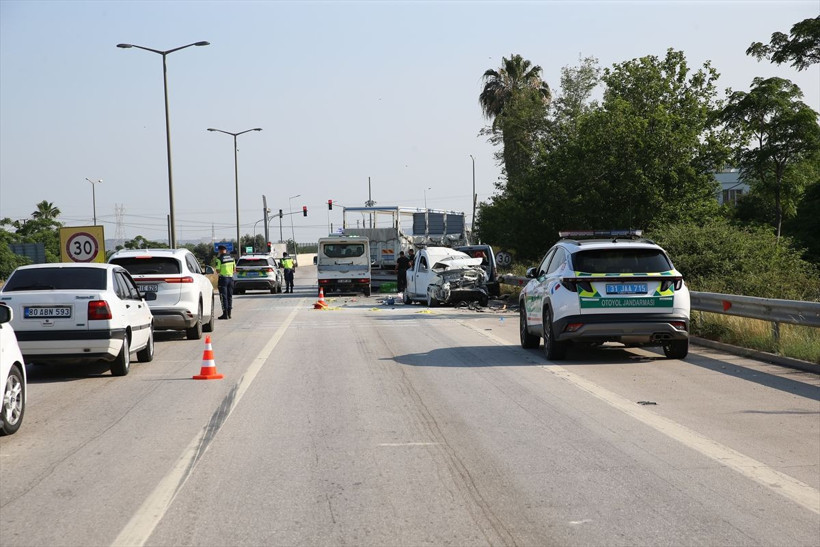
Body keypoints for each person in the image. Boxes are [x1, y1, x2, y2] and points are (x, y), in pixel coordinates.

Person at [213, 245, 235, 319]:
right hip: (231, 278)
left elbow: (218, 270)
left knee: (223, 297)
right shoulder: (232, 258)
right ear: (225, 250)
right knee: (229, 296)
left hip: (223, 279)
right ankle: (229, 314)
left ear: (220, 250)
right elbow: (234, 269)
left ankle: (225, 314)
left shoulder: (219, 259)